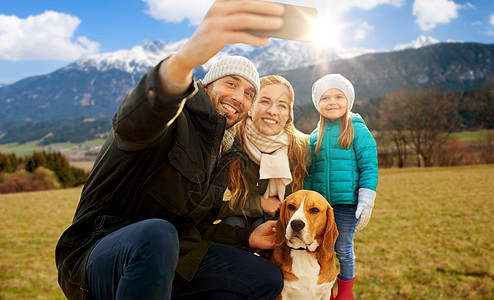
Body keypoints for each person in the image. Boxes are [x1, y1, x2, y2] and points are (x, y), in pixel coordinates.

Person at [55, 1, 287, 299]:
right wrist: (185, 60)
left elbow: (197, 228)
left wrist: (247, 236)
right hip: (100, 255)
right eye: (231, 83)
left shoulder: (224, 152)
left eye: (248, 93)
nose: (238, 97)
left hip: (173, 257)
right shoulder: (171, 120)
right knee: (157, 234)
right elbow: (136, 122)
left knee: (265, 278)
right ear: (206, 87)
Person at [303, 74, 379, 300]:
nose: (332, 102)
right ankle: (322, 288)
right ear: (318, 104)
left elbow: (369, 165)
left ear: (348, 101)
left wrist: (366, 199)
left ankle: (345, 292)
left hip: (346, 204)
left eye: (338, 96)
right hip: (320, 207)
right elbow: (310, 171)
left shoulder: (358, 130)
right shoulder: (315, 136)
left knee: (342, 249)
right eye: (325, 98)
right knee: (318, 248)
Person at [219, 75, 310, 228]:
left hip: (281, 220)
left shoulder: (301, 149)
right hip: (237, 220)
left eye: (282, 105)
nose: (272, 111)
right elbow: (212, 204)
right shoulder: (230, 141)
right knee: (232, 223)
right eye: (264, 101)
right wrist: (258, 203)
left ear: (288, 116)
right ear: (250, 109)